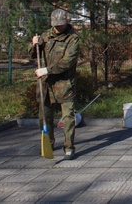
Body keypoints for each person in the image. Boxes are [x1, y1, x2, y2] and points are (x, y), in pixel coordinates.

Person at [31, 9, 80, 160]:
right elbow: (33, 54)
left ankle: (69, 147)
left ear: (66, 22)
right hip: (45, 85)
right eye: (55, 25)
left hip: (64, 84)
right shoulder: (45, 36)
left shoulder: (72, 38)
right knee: (44, 116)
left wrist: (47, 70)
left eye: (60, 25)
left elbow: (67, 62)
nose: (58, 28)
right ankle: (48, 143)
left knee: (68, 118)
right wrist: (34, 45)